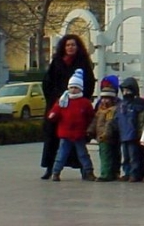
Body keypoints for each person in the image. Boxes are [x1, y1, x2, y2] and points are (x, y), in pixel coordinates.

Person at [40, 34, 96, 180]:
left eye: (73, 45)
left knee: (78, 142)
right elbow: (47, 82)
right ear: (63, 47)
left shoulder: (83, 63)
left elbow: (89, 83)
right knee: (53, 139)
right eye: (68, 45)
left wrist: (81, 99)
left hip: (76, 107)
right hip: (58, 105)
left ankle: (84, 169)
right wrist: (56, 98)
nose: (70, 47)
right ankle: (50, 168)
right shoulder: (57, 62)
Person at [46, 69, 97, 181]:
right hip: (65, 133)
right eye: (71, 87)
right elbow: (55, 113)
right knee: (61, 155)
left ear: (80, 88)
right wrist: (52, 115)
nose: (73, 90)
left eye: (76, 87)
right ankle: (56, 172)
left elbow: (90, 117)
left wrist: (89, 130)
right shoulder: (63, 100)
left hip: (79, 134)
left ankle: (88, 172)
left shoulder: (85, 102)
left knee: (83, 155)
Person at [115, 76, 144, 182]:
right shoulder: (121, 105)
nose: (125, 93)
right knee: (126, 157)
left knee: (135, 156)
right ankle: (127, 172)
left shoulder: (138, 104)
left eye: (128, 90)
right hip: (123, 135)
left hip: (133, 135)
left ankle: (135, 173)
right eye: (124, 90)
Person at [87, 80, 119, 181]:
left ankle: (106, 174)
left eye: (107, 99)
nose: (104, 101)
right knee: (105, 155)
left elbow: (109, 124)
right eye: (103, 98)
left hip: (106, 137)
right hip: (101, 137)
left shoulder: (112, 110)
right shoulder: (100, 110)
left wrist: (105, 135)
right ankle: (112, 172)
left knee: (107, 156)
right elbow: (95, 121)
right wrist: (90, 131)